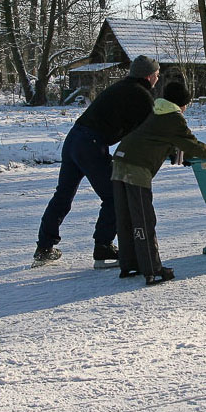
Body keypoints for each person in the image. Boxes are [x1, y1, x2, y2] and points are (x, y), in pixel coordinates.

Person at [32, 55, 161, 268]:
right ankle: (103, 248)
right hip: (91, 144)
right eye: (156, 74)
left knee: (63, 195)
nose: (157, 78)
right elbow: (150, 130)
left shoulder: (122, 87)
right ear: (149, 76)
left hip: (74, 139)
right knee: (114, 195)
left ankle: (44, 247)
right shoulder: (142, 96)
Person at [110, 81, 206, 285]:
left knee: (125, 217)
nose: (187, 107)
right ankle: (153, 270)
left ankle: (129, 264)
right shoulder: (173, 119)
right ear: (181, 103)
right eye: (187, 103)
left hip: (119, 161)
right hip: (136, 167)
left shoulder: (157, 112)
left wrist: (179, 156)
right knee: (143, 219)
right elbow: (191, 144)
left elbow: (162, 141)